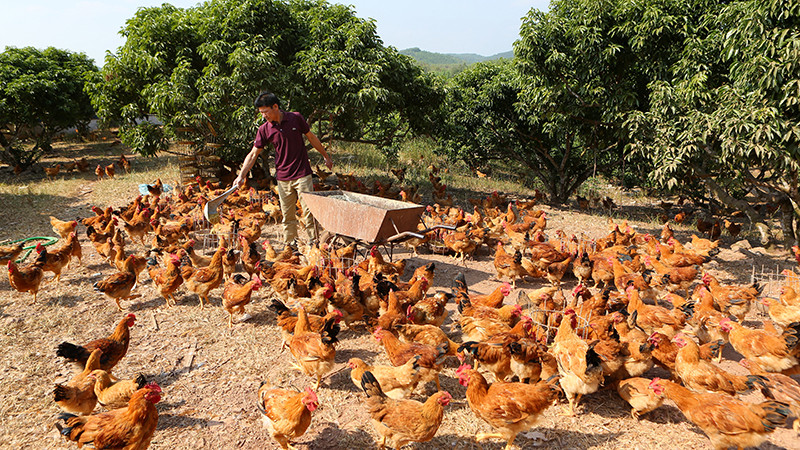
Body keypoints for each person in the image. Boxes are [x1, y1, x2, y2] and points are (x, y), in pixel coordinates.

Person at [233, 92, 333, 246]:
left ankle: (314, 243)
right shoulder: (264, 129)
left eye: (266, 112)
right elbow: (253, 154)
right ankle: (291, 246)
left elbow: (311, 137)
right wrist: (241, 175)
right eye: (261, 113)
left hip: (302, 174)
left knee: (308, 212)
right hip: (283, 177)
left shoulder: (295, 118)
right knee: (287, 215)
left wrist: (325, 155)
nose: (264, 116)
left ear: (275, 106)